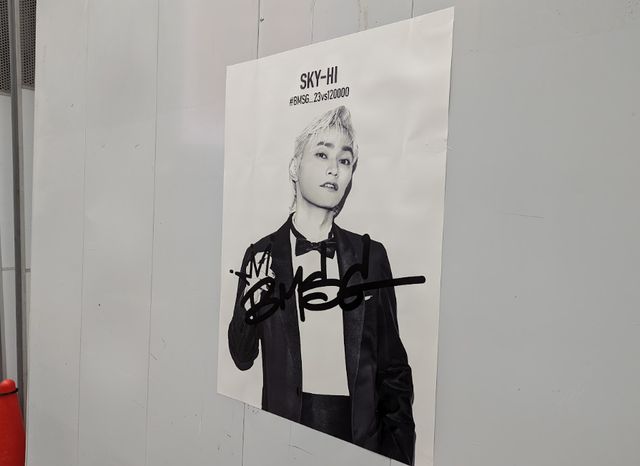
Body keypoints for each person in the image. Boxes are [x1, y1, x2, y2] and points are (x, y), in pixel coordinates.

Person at [228, 105, 416, 464]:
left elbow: (393, 370)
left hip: (360, 441)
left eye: (344, 160)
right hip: (283, 439)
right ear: (294, 167)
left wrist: (399, 454)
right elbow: (241, 356)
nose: (334, 168)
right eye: (321, 154)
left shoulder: (371, 256)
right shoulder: (261, 255)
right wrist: (250, 309)